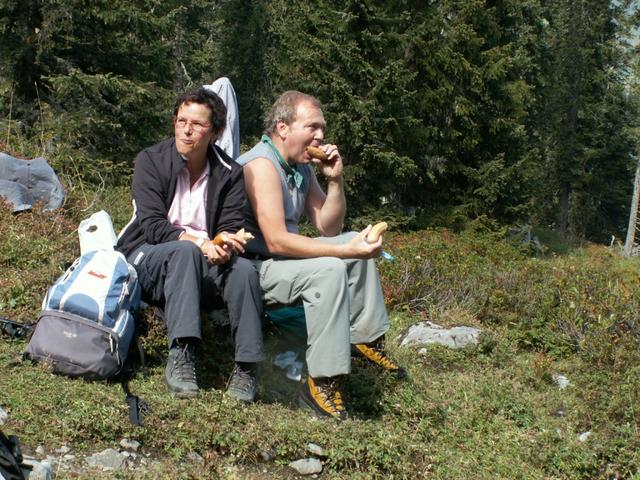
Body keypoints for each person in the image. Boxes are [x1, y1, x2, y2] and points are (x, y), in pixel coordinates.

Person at [236, 91, 406, 421]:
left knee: (354, 242)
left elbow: (329, 228)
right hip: (255, 268)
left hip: (283, 263)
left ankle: (365, 342)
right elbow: (276, 241)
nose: (320, 136)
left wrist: (336, 180)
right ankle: (321, 383)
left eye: (322, 128)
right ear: (283, 128)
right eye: (312, 127)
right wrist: (343, 251)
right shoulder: (261, 165)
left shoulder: (300, 167)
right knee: (332, 266)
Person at [116, 87, 263, 403]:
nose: (186, 130)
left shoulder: (230, 173)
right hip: (147, 255)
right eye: (181, 121)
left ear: (215, 132)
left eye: (197, 124)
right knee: (184, 251)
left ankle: (247, 366)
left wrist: (224, 245)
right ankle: (182, 352)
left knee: (244, 271)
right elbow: (153, 226)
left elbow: (229, 226)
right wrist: (200, 243)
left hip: (200, 262)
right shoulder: (151, 160)